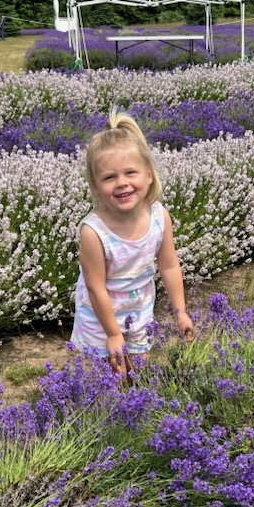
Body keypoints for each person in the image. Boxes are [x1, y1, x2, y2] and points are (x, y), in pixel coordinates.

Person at [71, 107, 195, 376]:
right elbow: (95, 288)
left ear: (149, 175)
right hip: (99, 318)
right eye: (109, 177)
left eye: (130, 173)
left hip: (139, 310)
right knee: (109, 381)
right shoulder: (94, 232)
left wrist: (180, 312)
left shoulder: (159, 217)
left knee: (139, 373)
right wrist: (113, 334)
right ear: (94, 185)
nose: (122, 183)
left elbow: (170, 266)